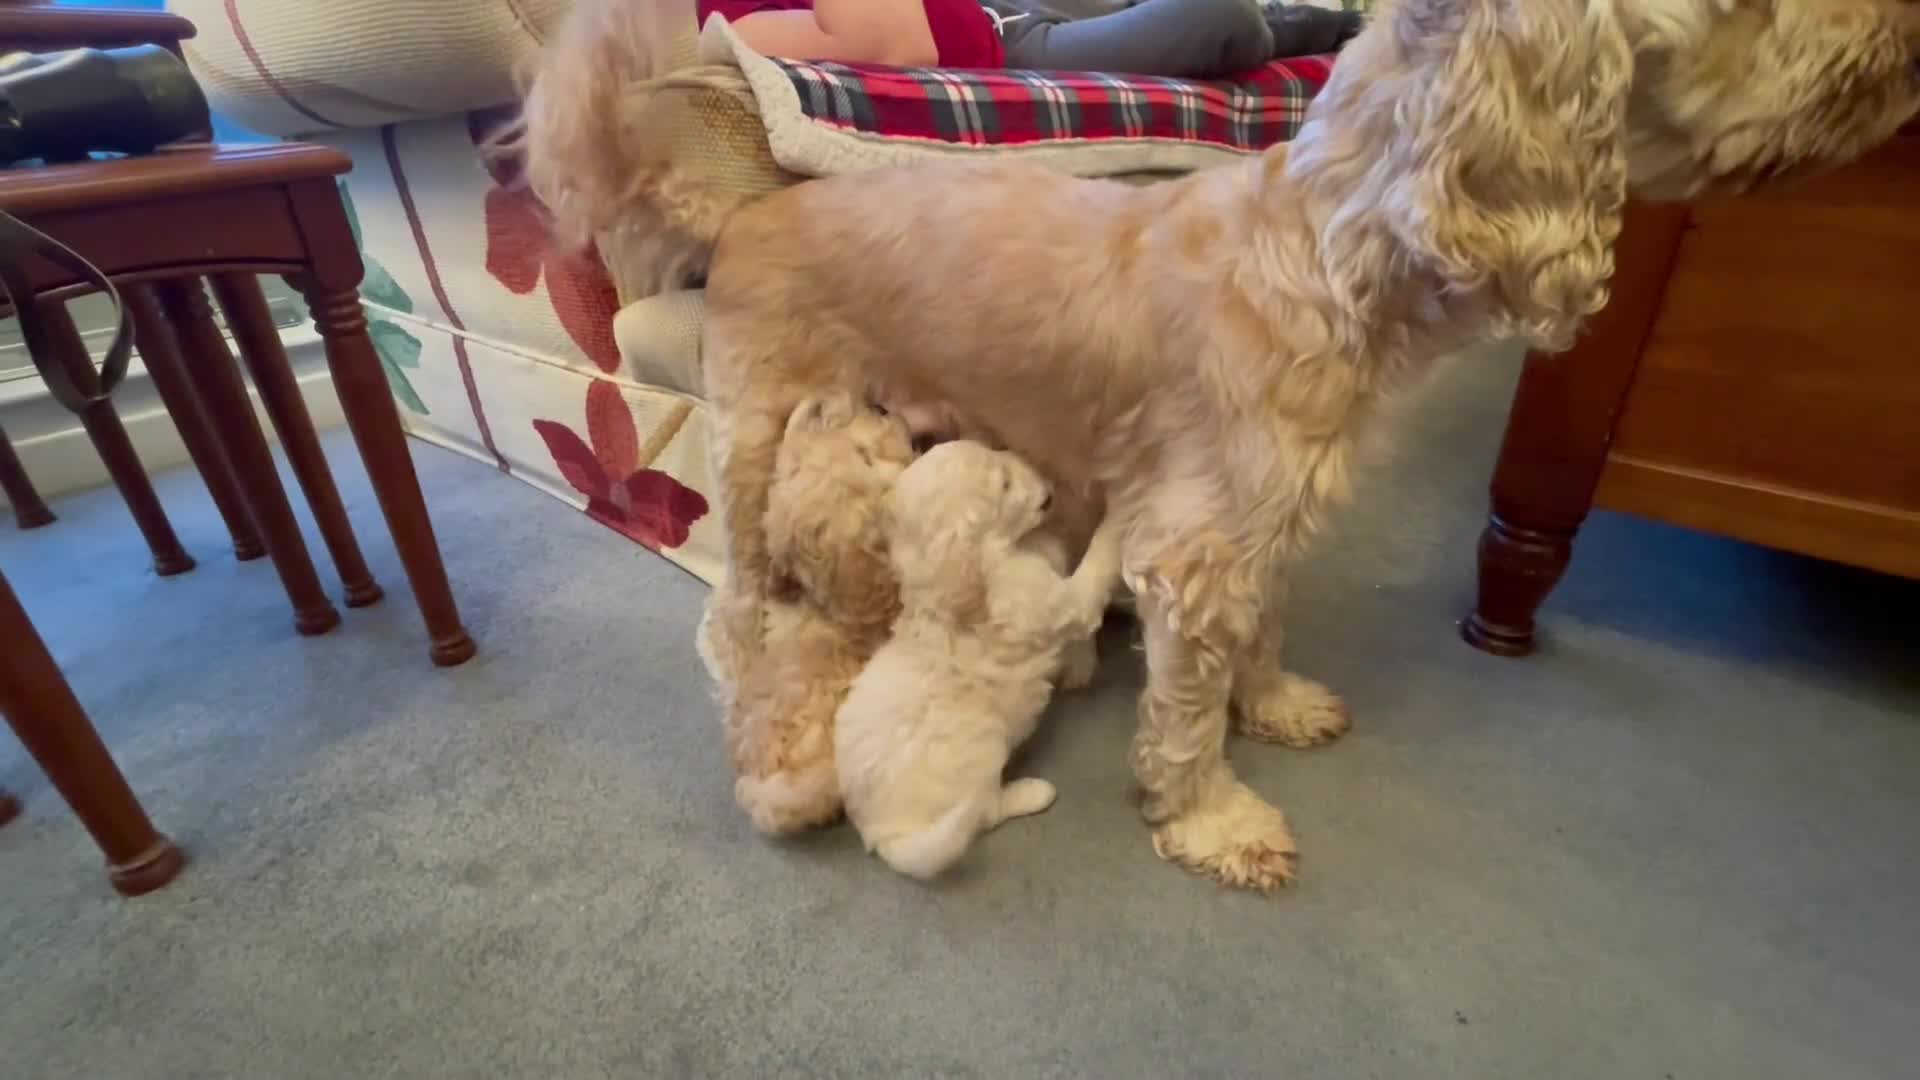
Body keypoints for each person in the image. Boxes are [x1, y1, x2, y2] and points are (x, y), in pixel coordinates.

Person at [696, 0, 1363, 78]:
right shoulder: (734, 18)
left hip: (1004, 8)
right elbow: (891, 41)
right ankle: (1314, 28)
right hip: (1013, 51)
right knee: (1218, 21)